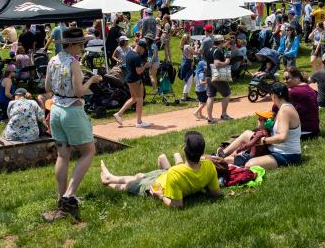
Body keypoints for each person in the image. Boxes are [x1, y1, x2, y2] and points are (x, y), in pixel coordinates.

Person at [41, 27, 102, 222]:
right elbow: (79, 91)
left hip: (56, 110)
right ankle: (68, 197)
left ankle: (61, 199)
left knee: (62, 155)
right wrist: (92, 79)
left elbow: (47, 87)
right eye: (81, 44)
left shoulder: (53, 60)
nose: (83, 47)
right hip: (72, 111)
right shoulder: (74, 63)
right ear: (73, 44)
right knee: (89, 151)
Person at [99, 131, 220, 207]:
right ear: (202, 152)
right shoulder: (209, 165)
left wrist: (161, 196)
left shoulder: (175, 172)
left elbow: (177, 204)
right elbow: (215, 193)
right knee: (139, 176)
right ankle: (111, 177)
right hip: (162, 177)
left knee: (130, 185)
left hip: (155, 186)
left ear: (184, 150)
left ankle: (109, 182)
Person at [221, 83, 302, 170]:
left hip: (287, 155)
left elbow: (282, 137)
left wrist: (263, 140)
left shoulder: (285, 111)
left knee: (250, 165)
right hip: (274, 149)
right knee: (246, 134)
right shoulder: (284, 108)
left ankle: (234, 160)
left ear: (273, 95)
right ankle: (221, 154)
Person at [114, 40, 150, 128]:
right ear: (140, 47)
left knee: (134, 98)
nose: (143, 52)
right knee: (139, 99)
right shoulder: (137, 56)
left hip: (129, 79)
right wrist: (145, 66)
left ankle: (119, 114)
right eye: (143, 50)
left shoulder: (130, 53)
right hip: (135, 80)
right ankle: (139, 122)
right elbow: (138, 71)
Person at [281, 68, 319, 138]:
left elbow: (275, 109)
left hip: (303, 132)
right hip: (314, 129)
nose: (285, 81)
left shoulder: (292, 91)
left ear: (297, 78)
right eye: (284, 79)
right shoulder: (309, 89)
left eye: (287, 78)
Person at [206, 35, 233, 122]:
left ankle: (210, 118)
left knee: (210, 96)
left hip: (209, 75)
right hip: (217, 76)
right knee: (226, 94)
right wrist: (226, 62)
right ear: (221, 42)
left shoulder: (210, 49)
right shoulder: (217, 51)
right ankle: (224, 114)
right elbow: (217, 64)